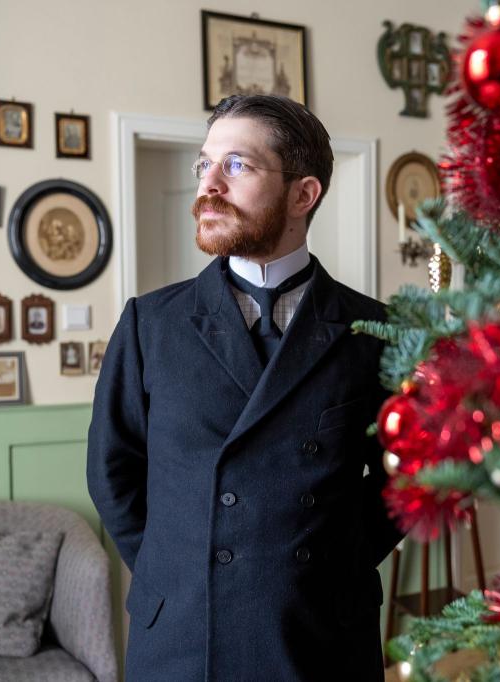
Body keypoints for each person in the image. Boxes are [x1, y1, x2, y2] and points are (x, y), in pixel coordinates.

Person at [87, 95, 402, 682]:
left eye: (236, 165)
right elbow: (113, 473)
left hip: (319, 634)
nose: (208, 184)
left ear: (303, 195)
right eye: (204, 164)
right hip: (182, 635)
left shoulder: (375, 331)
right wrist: (177, 570)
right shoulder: (149, 323)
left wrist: (332, 566)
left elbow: (406, 475)